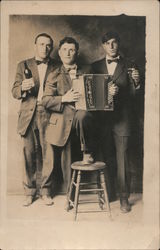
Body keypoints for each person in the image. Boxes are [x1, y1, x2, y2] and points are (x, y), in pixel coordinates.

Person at [92, 31, 140, 213]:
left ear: (118, 44)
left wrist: (136, 83)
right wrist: (106, 93)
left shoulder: (130, 65)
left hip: (123, 119)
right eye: (107, 43)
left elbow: (135, 97)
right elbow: (90, 95)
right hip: (102, 121)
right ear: (103, 46)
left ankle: (124, 198)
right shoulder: (94, 66)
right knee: (105, 158)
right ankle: (107, 194)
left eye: (114, 42)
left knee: (123, 159)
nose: (111, 46)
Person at [42, 37, 95, 195]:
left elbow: (96, 93)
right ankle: (68, 195)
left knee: (84, 117)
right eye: (64, 49)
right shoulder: (53, 74)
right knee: (65, 159)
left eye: (71, 50)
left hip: (83, 120)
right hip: (62, 120)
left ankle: (88, 152)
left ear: (77, 53)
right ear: (59, 53)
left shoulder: (87, 70)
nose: (68, 53)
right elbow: (45, 100)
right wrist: (64, 98)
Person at [12, 33, 58, 206]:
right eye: (41, 44)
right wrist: (22, 88)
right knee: (28, 154)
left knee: (49, 154)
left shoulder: (58, 66)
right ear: (35, 45)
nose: (44, 48)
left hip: (50, 113)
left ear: (51, 48)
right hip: (27, 115)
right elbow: (15, 91)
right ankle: (29, 192)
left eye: (48, 45)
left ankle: (46, 192)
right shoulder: (22, 65)